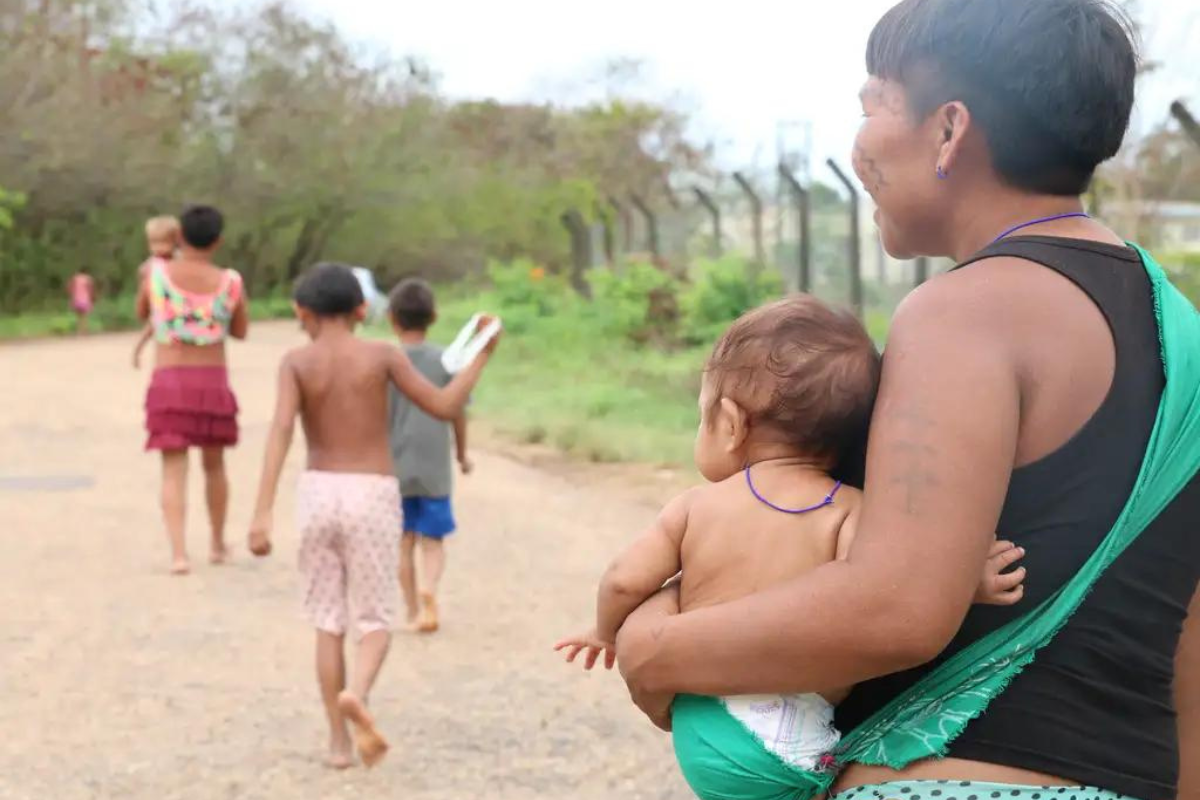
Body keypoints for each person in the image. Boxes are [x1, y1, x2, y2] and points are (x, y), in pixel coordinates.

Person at [615, 5, 1200, 800]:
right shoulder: (1182, 332)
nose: (858, 147)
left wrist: (654, 648)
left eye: (870, 106)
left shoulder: (964, 309)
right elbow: (1185, 635)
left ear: (949, 129)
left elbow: (896, 609)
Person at [555, 295, 1027, 800]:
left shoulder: (695, 507)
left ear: (732, 425)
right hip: (791, 735)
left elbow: (626, 578)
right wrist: (964, 582)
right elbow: (896, 584)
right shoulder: (850, 511)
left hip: (705, 720)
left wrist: (606, 631)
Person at [246, 263, 497, 770]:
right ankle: (357, 692)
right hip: (373, 493)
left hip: (318, 491)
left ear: (301, 312)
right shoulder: (382, 355)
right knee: (374, 621)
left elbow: (279, 431)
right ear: (363, 310)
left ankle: (338, 744)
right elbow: (446, 405)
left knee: (326, 622)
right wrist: (481, 354)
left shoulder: (295, 361)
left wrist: (262, 512)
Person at [136, 205, 248, 575]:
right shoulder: (230, 281)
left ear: (179, 236)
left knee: (173, 469)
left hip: (169, 380)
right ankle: (217, 543)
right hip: (212, 381)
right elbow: (241, 330)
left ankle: (179, 554)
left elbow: (142, 313)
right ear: (219, 241)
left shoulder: (157, 275)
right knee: (215, 466)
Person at [386, 279, 473, 634]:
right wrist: (462, 455)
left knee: (403, 540)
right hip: (435, 465)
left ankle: (410, 608)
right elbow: (456, 412)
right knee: (432, 540)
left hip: (394, 465)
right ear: (433, 317)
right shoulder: (444, 362)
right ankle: (429, 590)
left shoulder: (385, 361)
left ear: (392, 319)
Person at [133, 216, 181, 369]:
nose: (159, 248)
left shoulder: (180, 261)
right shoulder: (149, 265)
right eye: (154, 243)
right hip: (159, 306)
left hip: (179, 307)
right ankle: (138, 351)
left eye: (164, 242)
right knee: (151, 326)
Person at [67, 267, 95, 335]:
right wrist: (92, 296)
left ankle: (79, 331)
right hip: (85, 298)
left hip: (76, 298)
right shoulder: (88, 278)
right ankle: (84, 331)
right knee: (84, 315)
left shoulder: (75, 278)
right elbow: (90, 288)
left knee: (78, 316)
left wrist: (71, 293)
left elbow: (69, 286)